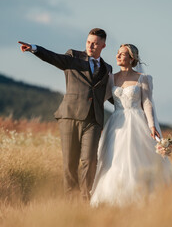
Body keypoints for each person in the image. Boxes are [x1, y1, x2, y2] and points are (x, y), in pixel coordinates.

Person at [18, 28, 113, 200]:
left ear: (103, 45)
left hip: (94, 120)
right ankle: (72, 201)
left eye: (95, 43)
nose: (91, 45)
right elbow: (55, 58)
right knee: (70, 163)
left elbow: (111, 95)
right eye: (88, 42)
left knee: (90, 160)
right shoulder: (74, 57)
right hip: (69, 116)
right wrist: (34, 49)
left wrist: (134, 106)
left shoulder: (108, 69)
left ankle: (85, 200)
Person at [90, 44, 172, 207]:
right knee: (112, 159)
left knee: (135, 159)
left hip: (136, 121)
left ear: (132, 58)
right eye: (118, 54)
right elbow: (102, 98)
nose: (118, 56)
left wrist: (152, 125)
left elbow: (147, 102)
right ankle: (111, 198)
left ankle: (139, 197)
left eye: (123, 54)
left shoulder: (143, 78)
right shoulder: (111, 78)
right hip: (116, 123)